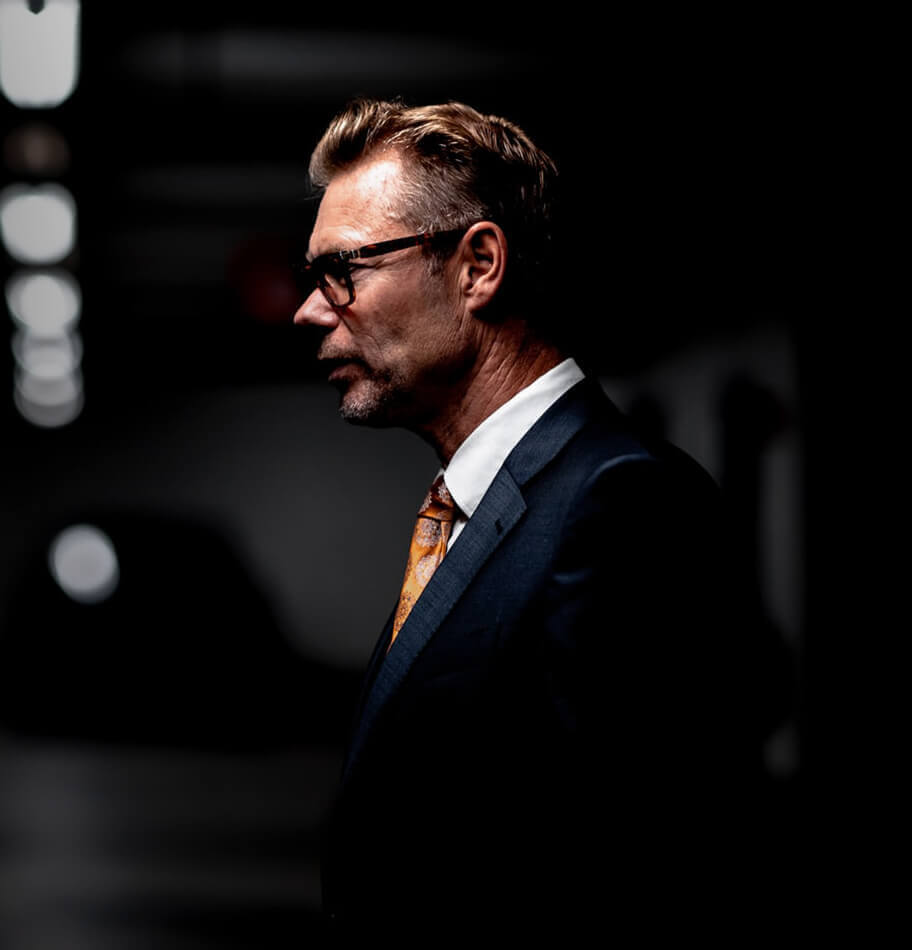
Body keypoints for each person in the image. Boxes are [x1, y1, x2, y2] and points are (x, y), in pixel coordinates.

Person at [288, 99, 791, 938]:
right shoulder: (475, 508)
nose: (309, 309)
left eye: (343, 269)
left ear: (478, 266)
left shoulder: (619, 504)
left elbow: (650, 868)